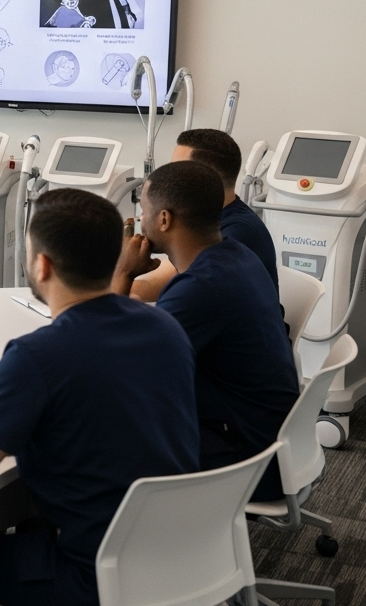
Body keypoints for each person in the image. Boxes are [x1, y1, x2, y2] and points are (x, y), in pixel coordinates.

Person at [0, 189, 198, 606]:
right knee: (32, 522)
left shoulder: (37, 355)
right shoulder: (166, 328)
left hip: (98, 574)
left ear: (42, 265)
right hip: (180, 551)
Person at [113, 160, 298, 501]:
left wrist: (123, 274)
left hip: (245, 460)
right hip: (267, 438)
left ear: (164, 219)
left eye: (143, 210)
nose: (140, 219)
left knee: (92, 436)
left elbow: (117, 368)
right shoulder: (235, 255)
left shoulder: (202, 287)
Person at [131, 128, 279, 302]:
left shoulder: (238, 232)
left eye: (177, 170)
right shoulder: (217, 221)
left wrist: (117, 277)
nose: (167, 179)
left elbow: (171, 282)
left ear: (203, 177)